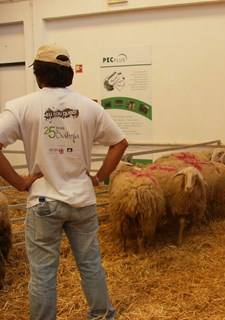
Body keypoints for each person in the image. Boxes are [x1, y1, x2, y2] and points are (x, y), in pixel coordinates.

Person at [0, 44, 128, 319]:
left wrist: (19, 183)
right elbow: (120, 143)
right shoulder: (89, 107)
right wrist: (99, 178)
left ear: (38, 74)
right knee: (91, 264)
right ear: (69, 73)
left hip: (44, 201)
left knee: (44, 272)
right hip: (82, 200)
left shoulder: (22, 106)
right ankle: (102, 314)